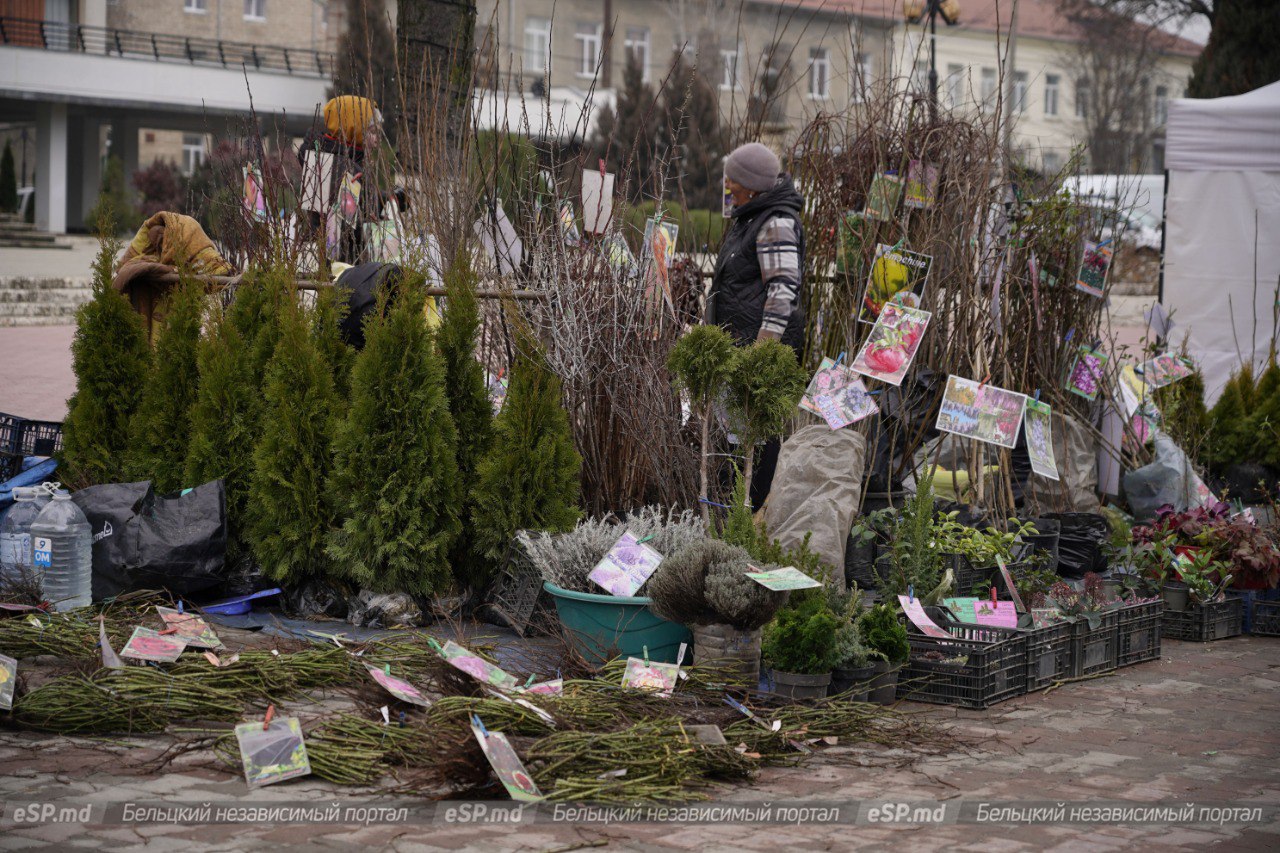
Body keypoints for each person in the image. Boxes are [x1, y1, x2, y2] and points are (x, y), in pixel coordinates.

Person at [708, 141, 807, 506]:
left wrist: (762, 352)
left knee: (756, 441)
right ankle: (731, 517)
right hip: (738, 345)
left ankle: (751, 518)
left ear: (750, 184)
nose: (728, 186)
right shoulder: (750, 216)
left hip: (755, 350)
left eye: (732, 180)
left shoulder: (775, 221)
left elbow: (783, 290)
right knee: (735, 440)